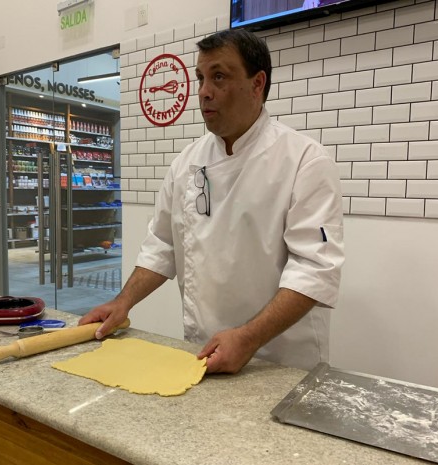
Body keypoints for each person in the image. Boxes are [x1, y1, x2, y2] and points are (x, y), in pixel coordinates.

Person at [79, 29, 344, 374]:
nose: (204, 92)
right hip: (203, 352)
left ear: (257, 83)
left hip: (279, 363)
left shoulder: (304, 160)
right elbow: (162, 246)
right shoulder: (186, 163)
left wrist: (248, 337)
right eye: (201, 78)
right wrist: (122, 302)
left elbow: (315, 269)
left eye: (219, 76)